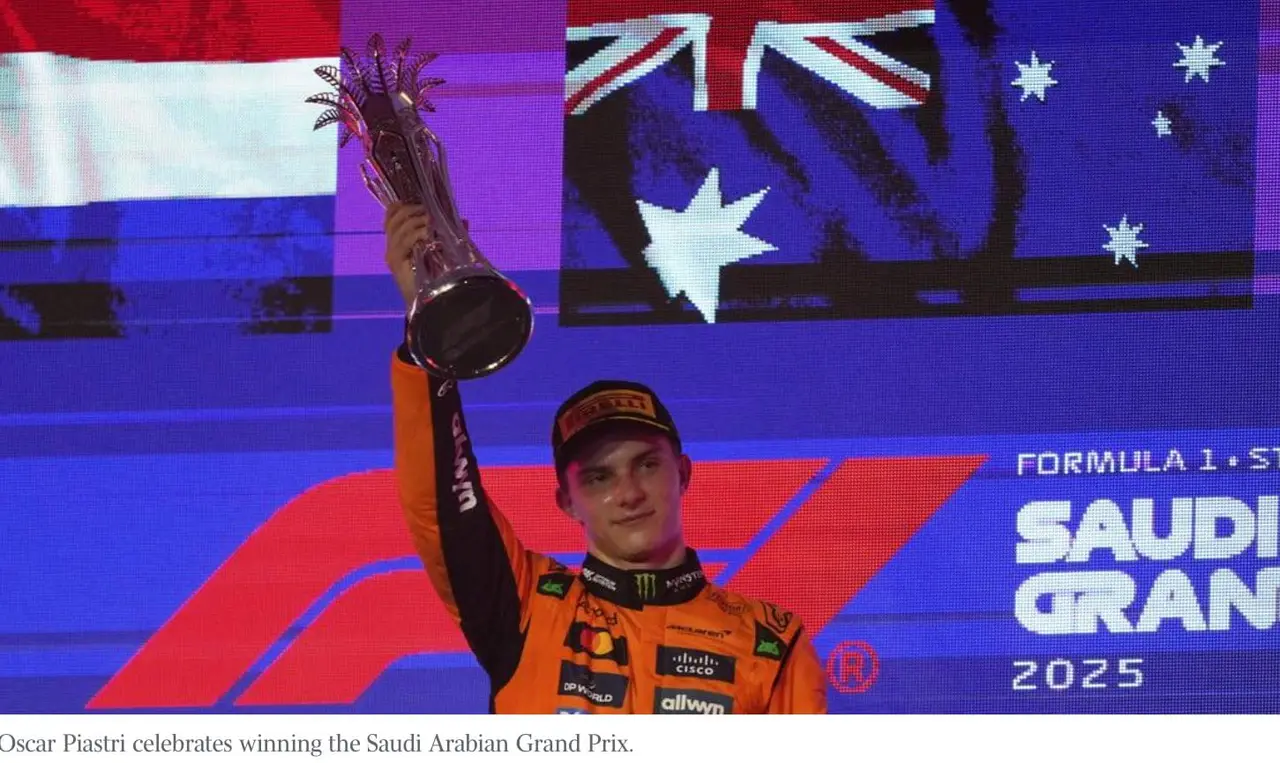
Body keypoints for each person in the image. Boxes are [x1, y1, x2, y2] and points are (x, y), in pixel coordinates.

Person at [383, 202, 828, 714]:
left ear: (683, 473)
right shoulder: (528, 611)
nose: (629, 493)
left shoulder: (771, 647)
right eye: (599, 477)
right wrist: (430, 333)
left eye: (646, 464)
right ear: (567, 501)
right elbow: (443, 509)